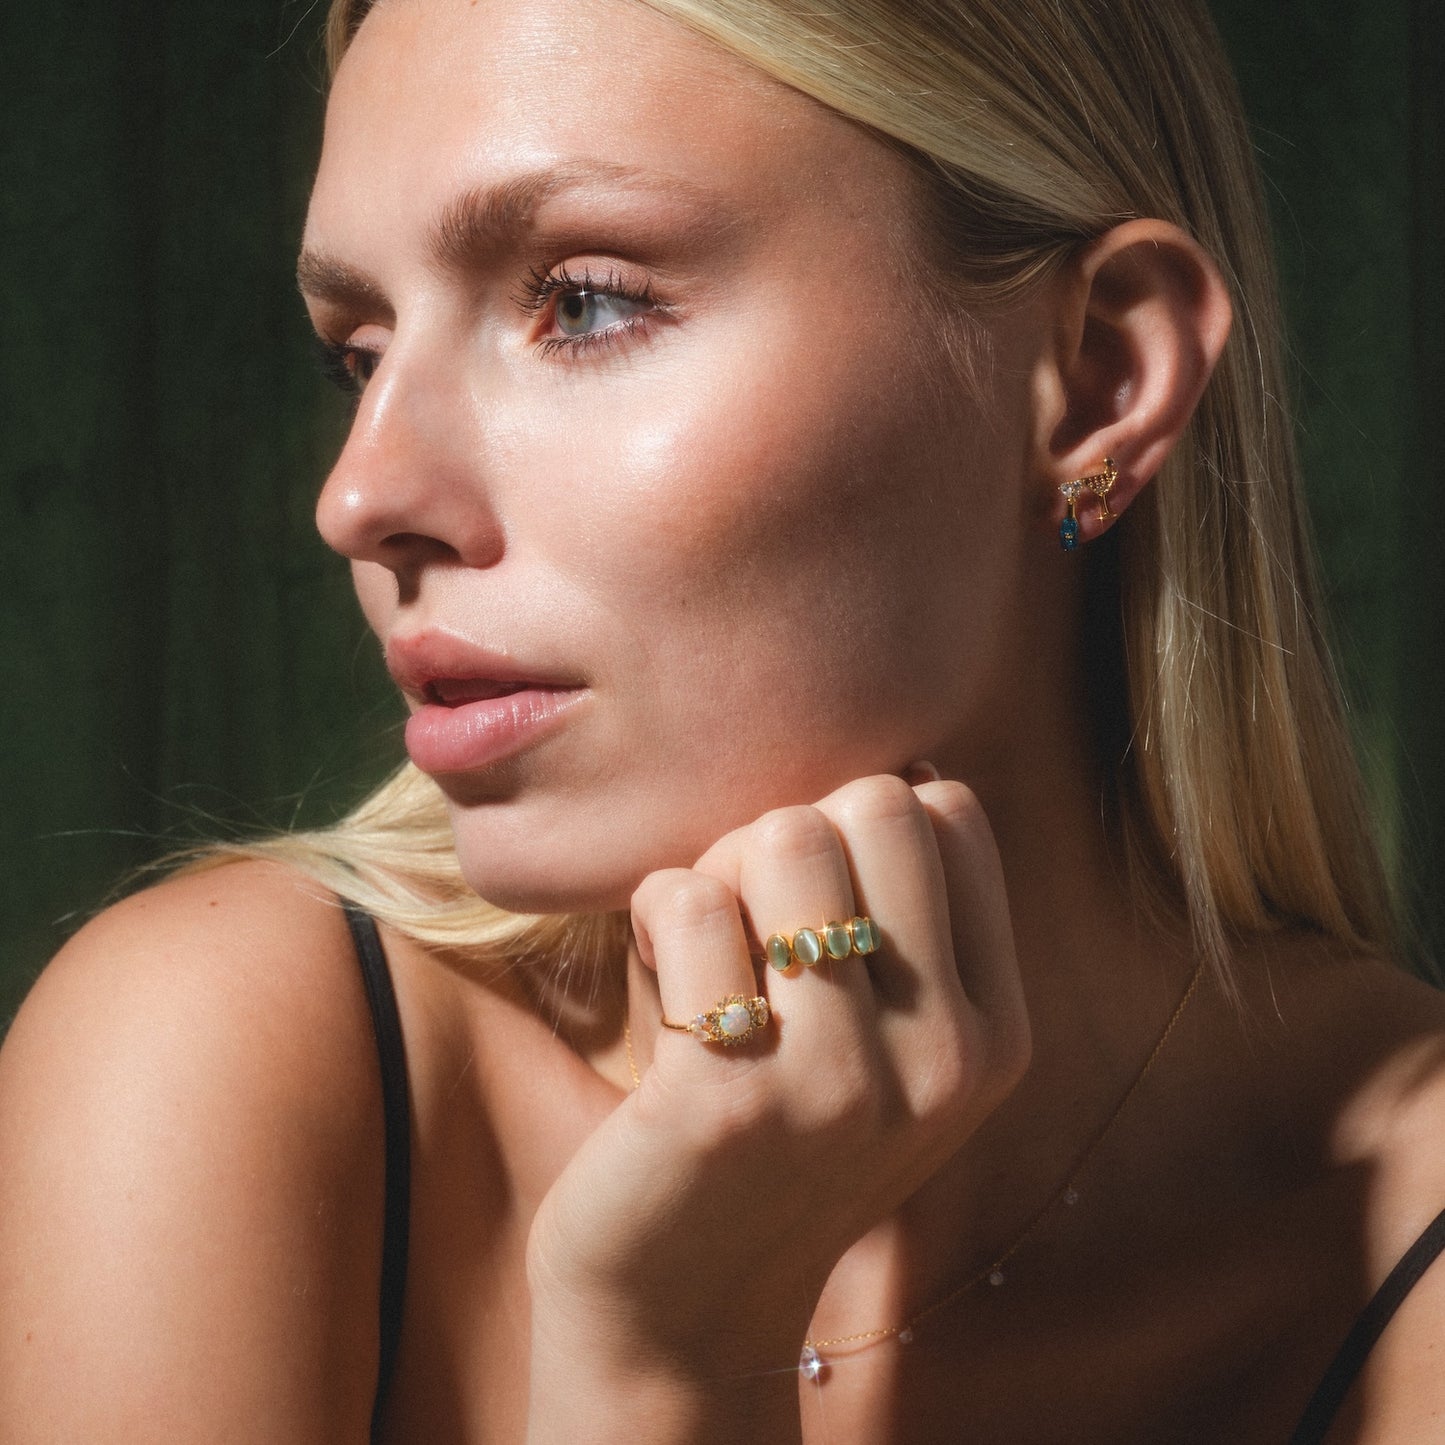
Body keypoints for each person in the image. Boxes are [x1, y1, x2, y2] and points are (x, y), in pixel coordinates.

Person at [1, 0, 1441, 1439]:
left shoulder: (1406, 1244)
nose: (362, 499)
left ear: (1102, 380)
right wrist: (659, 1365)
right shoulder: (222, 1077)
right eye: (359, 351)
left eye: (581, 300)